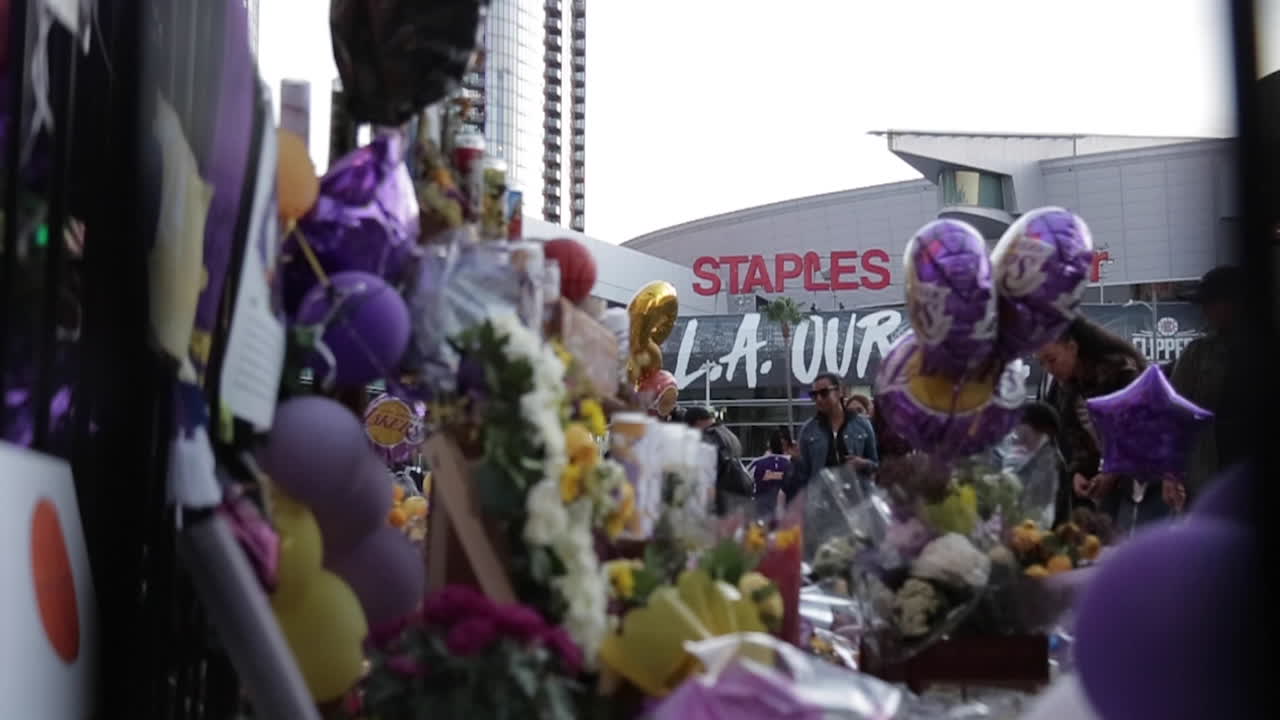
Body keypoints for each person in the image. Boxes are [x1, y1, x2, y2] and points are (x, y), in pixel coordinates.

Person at [1037, 318, 1179, 536]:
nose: (1049, 369)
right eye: (1042, 364)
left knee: (1140, 549)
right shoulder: (1065, 387)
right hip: (1115, 481)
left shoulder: (1120, 369)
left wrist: (1111, 473)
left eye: (1052, 360)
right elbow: (1079, 441)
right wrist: (1080, 472)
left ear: (1072, 347)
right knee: (1105, 544)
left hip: (1151, 475)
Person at [1172, 265, 1244, 499]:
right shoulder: (1199, 353)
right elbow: (1174, 414)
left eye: (1211, 304)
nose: (1205, 311)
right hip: (1208, 477)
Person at [785, 372, 878, 499]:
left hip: (857, 503)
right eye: (814, 395)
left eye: (824, 393)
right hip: (822, 505)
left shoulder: (862, 424)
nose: (818, 399)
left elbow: (876, 464)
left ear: (839, 392)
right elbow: (803, 476)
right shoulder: (808, 430)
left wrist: (863, 463)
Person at [994, 401, 1066, 529]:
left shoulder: (1049, 463)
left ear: (1043, 434)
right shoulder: (1014, 451)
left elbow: (1039, 511)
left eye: (1025, 434)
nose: (1016, 435)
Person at [684, 405, 753, 514]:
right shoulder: (728, 434)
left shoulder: (707, 438)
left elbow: (706, 475)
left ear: (696, 423)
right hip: (740, 494)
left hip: (723, 500)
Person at [747, 427, 793, 519]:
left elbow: (743, 482)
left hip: (761, 515)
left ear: (770, 444)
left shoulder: (757, 463)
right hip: (787, 517)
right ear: (788, 445)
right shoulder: (794, 464)